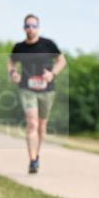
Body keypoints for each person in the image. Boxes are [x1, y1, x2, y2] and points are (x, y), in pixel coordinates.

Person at [8, 14, 66, 174]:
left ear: (38, 27)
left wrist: (52, 74)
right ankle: (32, 160)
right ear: (24, 28)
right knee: (32, 123)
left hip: (47, 90)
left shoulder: (48, 45)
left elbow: (62, 61)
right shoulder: (19, 47)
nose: (30, 29)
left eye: (34, 25)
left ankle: (37, 155)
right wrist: (13, 72)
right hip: (27, 88)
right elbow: (11, 61)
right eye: (28, 25)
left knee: (42, 126)